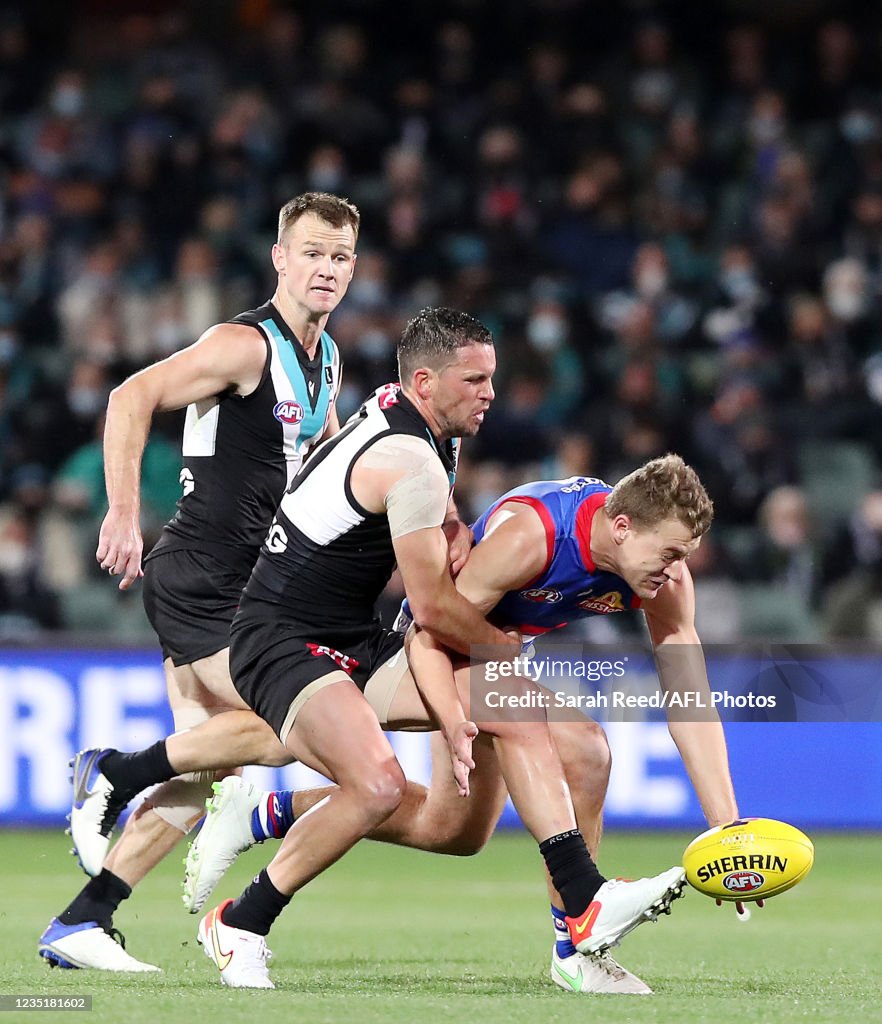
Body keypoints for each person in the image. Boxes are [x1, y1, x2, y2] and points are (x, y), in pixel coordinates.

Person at [188, 313, 683, 990]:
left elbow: (421, 569)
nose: (489, 392)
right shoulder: (414, 459)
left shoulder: (424, 430)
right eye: (474, 379)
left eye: (492, 378)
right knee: (380, 785)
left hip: (356, 638)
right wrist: (501, 653)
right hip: (281, 640)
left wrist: (451, 537)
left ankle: (584, 909)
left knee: (497, 758)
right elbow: (432, 610)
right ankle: (240, 922)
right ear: (425, 381)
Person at [38, 191, 364, 973]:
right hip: (202, 574)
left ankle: (82, 922)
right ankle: (111, 774)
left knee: (205, 765)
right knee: (287, 727)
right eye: (313, 252)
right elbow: (131, 396)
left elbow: (312, 471)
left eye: (342, 256)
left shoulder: (328, 360)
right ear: (280, 258)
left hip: (247, 581)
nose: (327, 268)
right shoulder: (244, 344)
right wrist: (123, 513)